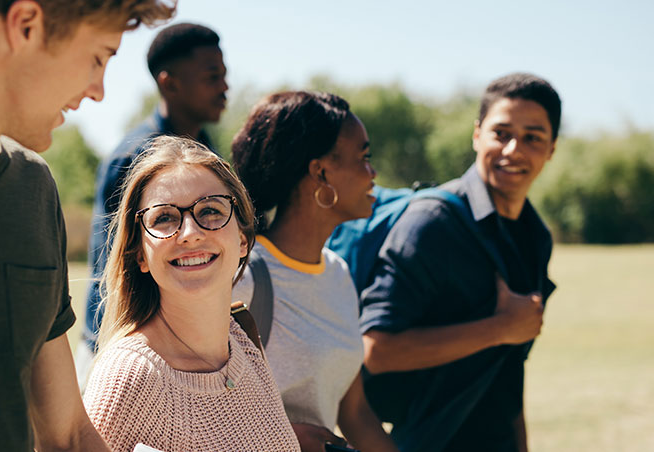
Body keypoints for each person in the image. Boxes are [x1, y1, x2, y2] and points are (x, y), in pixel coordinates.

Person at [0, 1, 174, 450]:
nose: (98, 91)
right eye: (98, 57)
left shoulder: (32, 188)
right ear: (25, 25)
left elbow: (69, 437)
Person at [359, 73, 561, 452]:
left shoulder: (536, 236)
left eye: (533, 137)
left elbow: (508, 370)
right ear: (477, 135)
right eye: (501, 133)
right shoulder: (432, 224)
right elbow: (377, 350)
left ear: (551, 149)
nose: (514, 149)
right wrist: (500, 328)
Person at [82, 136, 300, 451]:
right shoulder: (128, 377)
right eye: (165, 218)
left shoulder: (242, 341)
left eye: (210, 210)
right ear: (140, 255)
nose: (190, 233)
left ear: (242, 239)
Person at [231, 91, 399, 452]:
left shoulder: (338, 274)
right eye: (364, 157)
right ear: (320, 172)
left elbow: (353, 411)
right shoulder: (240, 279)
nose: (373, 173)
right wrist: (279, 438)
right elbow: (188, 406)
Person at [79, 22, 228, 378]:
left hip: (186, 346)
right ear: (169, 83)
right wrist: (119, 357)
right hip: (122, 348)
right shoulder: (133, 156)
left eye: (225, 76)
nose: (225, 88)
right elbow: (112, 266)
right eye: (212, 76)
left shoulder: (208, 152)